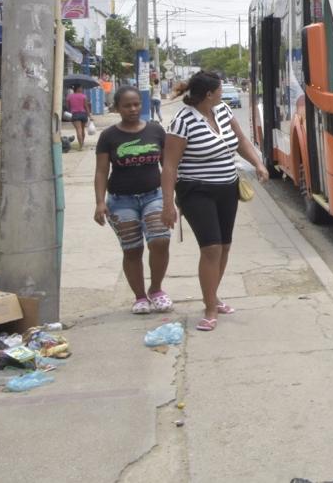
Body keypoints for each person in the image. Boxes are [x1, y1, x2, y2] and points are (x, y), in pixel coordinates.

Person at [162, 70, 268, 332]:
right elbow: (170, 166)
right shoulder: (182, 121)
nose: (224, 92)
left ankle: (213, 296)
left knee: (224, 246)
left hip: (227, 188)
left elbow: (241, 140)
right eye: (220, 89)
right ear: (209, 94)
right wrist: (167, 204)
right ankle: (210, 307)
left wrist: (257, 163)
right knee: (210, 249)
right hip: (196, 191)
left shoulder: (222, 111)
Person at [94, 86, 172, 314]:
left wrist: (171, 200)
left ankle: (156, 289)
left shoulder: (156, 130)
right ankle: (139, 297)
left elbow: (167, 167)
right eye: (127, 105)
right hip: (121, 201)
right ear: (117, 108)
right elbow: (101, 171)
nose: (133, 109)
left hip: (153, 196)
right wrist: (100, 202)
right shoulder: (108, 136)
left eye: (136, 104)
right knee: (132, 250)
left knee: (160, 240)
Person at [66, 84, 90, 150]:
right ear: (77, 89)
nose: (82, 89)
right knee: (82, 130)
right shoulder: (83, 96)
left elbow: (68, 107)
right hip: (83, 114)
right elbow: (86, 107)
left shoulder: (69, 97)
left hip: (75, 115)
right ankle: (82, 143)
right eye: (81, 88)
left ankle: (81, 146)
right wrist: (89, 115)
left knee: (79, 130)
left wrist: (72, 109)